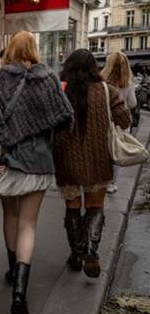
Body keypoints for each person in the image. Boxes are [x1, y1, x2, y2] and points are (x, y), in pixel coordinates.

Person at [0, 31, 74, 314]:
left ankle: (12, 269)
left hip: (8, 161)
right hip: (39, 160)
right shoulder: (49, 80)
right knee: (29, 225)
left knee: (11, 218)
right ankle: (20, 291)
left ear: (9, 50)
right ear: (34, 50)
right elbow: (65, 117)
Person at [55, 49, 131, 278]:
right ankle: (90, 250)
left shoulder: (61, 90)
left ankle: (76, 255)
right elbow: (125, 119)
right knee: (96, 206)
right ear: (93, 68)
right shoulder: (108, 90)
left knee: (73, 208)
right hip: (98, 159)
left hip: (67, 158)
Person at [101, 52, 137, 194]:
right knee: (117, 152)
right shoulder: (127, 83)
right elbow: (132, 103)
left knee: (104, 153)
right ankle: (112, 183)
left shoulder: (102, 81)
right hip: (121, 123)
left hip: (105, 121)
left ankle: (102, 180)